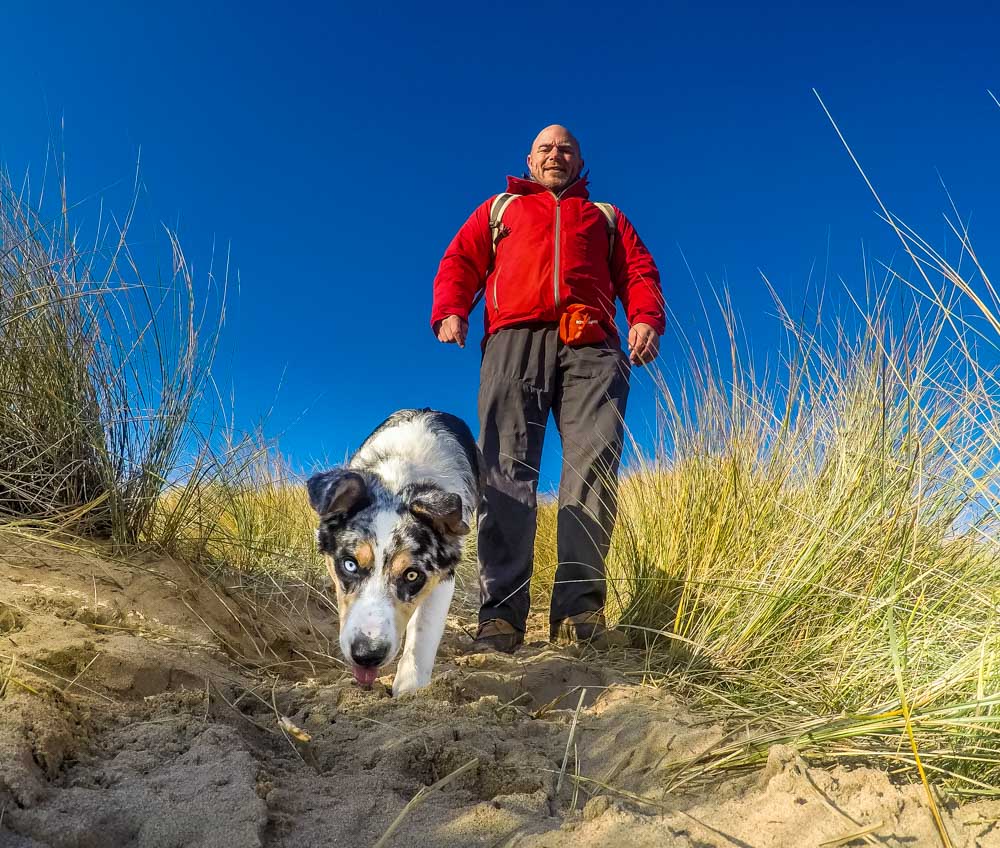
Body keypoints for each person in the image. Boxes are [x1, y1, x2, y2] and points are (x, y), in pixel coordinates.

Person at [431, 124, 664, 653]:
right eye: (545, 148)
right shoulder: (500, 209)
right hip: (513, 341)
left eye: (566, 149)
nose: (555, 154)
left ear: (579, 162)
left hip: (593, 346)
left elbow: (638, 270)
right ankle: (501, 616)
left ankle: (580, 613)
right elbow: (461, 260)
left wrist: (646, 316)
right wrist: (450, 308)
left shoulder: (604, 216)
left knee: (593, 469)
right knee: (505, 471)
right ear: (529, 160)